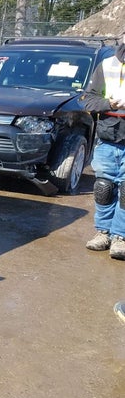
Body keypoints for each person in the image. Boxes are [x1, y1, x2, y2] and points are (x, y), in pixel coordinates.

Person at [78, 34, 125, 259]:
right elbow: (89, 100)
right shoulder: (107, 65)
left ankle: (120, 236)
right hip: (108, 138)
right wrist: (109, 103)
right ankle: (103, 232)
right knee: (104, 188)